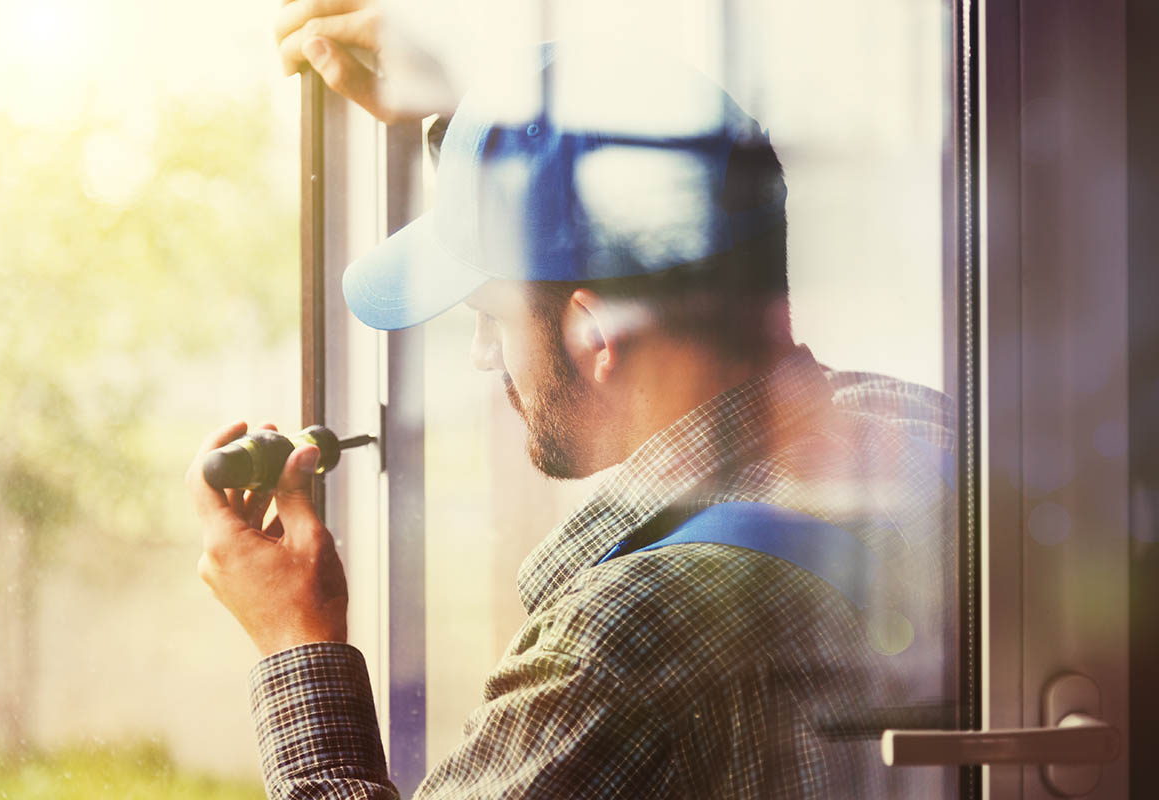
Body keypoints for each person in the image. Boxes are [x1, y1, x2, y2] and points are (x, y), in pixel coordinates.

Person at [187, 9, 956, 799]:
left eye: (492, 318)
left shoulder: (619, 640)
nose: (487, 355)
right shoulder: (918, 430)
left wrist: (296, 646)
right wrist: (462, 113)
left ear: (594, 330)